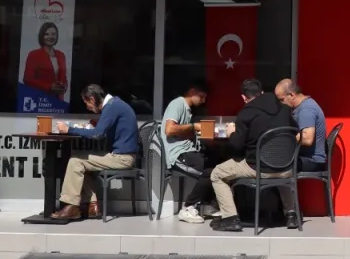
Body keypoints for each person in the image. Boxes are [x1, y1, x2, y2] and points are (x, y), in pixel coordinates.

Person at [208, 78, 299, 232]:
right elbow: (294, 132)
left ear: (244, 97)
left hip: (257, 168)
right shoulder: (285, 109)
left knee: (217, 173)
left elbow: (237, 146)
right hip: (286, 167)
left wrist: (231, 133)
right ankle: (291, 214)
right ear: (261, 92)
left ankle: (230, 219)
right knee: (278, 167)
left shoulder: (246, 113)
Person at [50, 84, 139, 221]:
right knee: (82, 161)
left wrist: (69, 130)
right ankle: (93, 207)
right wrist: (98, 124)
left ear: (92, 99)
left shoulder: (111, 107)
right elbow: (104, 130)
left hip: (123, 158)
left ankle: (71, 206)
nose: (88, 107)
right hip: (123, 156)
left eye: (87, 103)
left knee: (76, 161)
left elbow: (97, 134)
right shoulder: (115, 104)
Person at [161, 81, 217, 224]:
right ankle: (188, 207)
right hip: (178, 155)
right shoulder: (177, 104)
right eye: (202, 96)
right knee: (212, 172)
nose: (203, 101)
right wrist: (194, 127)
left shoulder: (187, 109)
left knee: (218, 163)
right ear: (192, 92)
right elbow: (169, 130)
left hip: (188, 150)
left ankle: (206, 204)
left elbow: (182, 132)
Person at [276, 78, 327, 172]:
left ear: (292, 95)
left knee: (273, 163)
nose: (280, 103)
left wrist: (284, 140)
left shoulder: (306, 109)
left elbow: (307, 139)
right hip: (305, 157)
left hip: (312, 161)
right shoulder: (301, 107)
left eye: (281, 100)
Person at [23, 22, 68, 100]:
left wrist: (64, 86)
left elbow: (63, 77)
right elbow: (27, 79)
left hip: (58, 100)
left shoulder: (61, 55)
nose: (50, 37)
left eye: (53, 34)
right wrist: (49, 87)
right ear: (42, 36)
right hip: (41, 99)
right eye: (47, 34)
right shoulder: (34, 55)